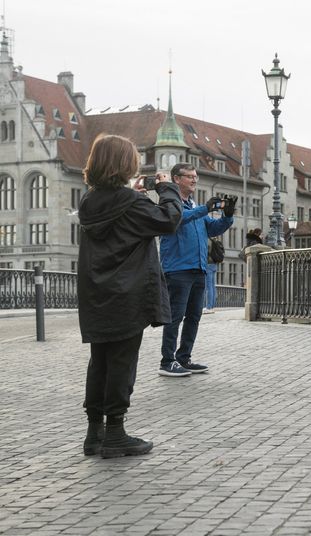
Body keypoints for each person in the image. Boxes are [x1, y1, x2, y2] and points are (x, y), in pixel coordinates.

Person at [78, 134, 182, 458]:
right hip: (127, 294)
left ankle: (94, 433)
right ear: (124, 164)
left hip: (96, 294)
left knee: (100, 362)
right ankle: (115, 434)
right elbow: (169, 220)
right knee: (122, 362)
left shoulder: (89, 202)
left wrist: (133, 196)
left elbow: (121, 214)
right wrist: (167, 188)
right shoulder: (132, 203)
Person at [158, 163, 236, 377]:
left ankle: (184, 358)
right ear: (176, 179)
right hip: (178, 269)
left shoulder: (195, 206)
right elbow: (177, 221)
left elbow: (213, 228)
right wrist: (204, 209)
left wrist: (227, 216)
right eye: (189, 176)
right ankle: (167, 361)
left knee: (193, 317)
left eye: (196, 177)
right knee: (175, 316)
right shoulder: (171, 204)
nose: (194, 180)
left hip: (199, 268)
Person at [204, 236, 223, 314]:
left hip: (208, 264)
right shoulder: (215, 240)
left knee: (208, 287)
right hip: (214, 264)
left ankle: (208, 307)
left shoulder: (208, 240)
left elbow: (205, 252)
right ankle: (212, 306)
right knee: (212, 286)